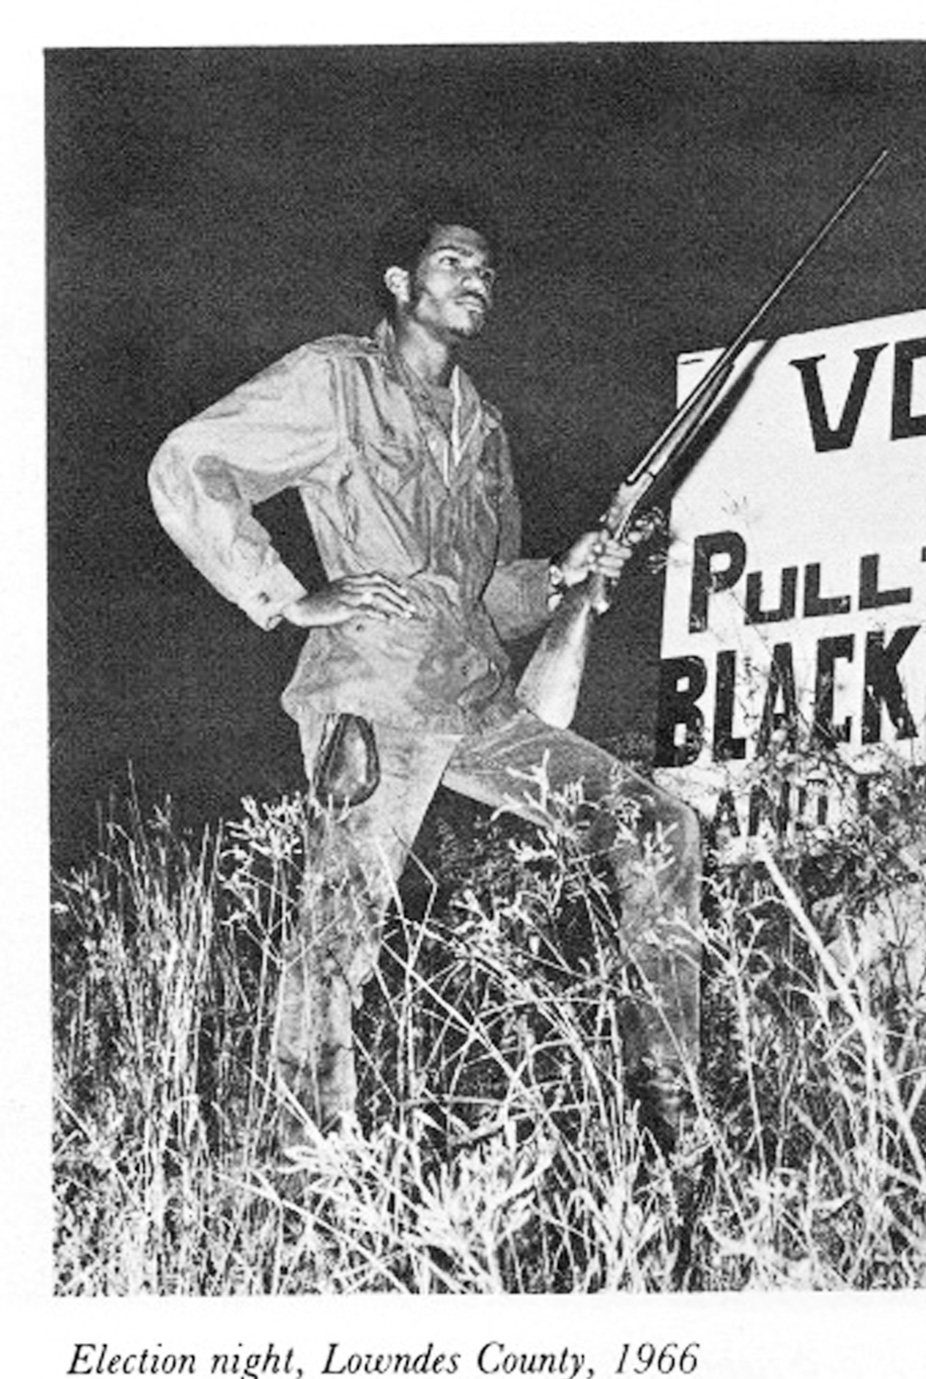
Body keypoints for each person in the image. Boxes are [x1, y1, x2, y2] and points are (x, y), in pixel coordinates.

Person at [148, 195, 703, 1153]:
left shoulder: (485, 431)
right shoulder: (336, 381)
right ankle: (302, 1158)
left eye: (485, 268)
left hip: (476, 699)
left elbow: (483, 600)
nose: (475, 279)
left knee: (658, 825)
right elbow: (191, 463)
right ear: (402, 285)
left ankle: (668, 1103)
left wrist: (562, 578)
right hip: (374, 694)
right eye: (452, 263)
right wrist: (286, 596)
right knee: (341, 929)